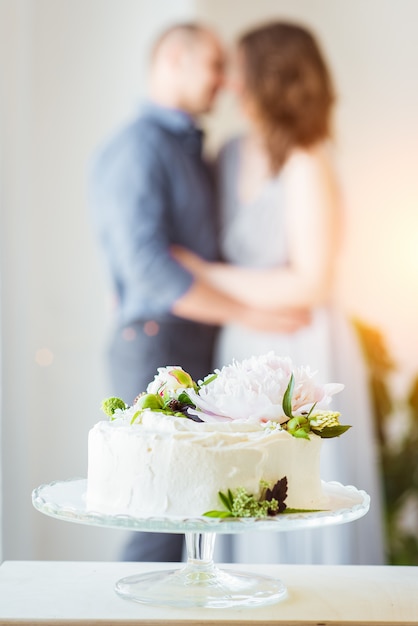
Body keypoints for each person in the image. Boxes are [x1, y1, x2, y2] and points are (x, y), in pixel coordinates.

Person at [89, 22, 310, 563]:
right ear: (172, 59)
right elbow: (149, 270)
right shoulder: (140, 146)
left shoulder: (189, 148)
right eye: (214, 64)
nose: (223, 80)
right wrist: (249, 313)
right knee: (160, 512)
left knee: (194, 510)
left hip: (187, 343)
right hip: (158, 345)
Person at [174, 21, 386, 565]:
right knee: (238, 490)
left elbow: (312, 282)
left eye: (240, 70)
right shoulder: (227, 154)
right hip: (241, 341)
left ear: (268, 77)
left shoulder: (308, 159)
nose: (230, 84)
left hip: (300, 347)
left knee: (294, 492)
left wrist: (201, 272)